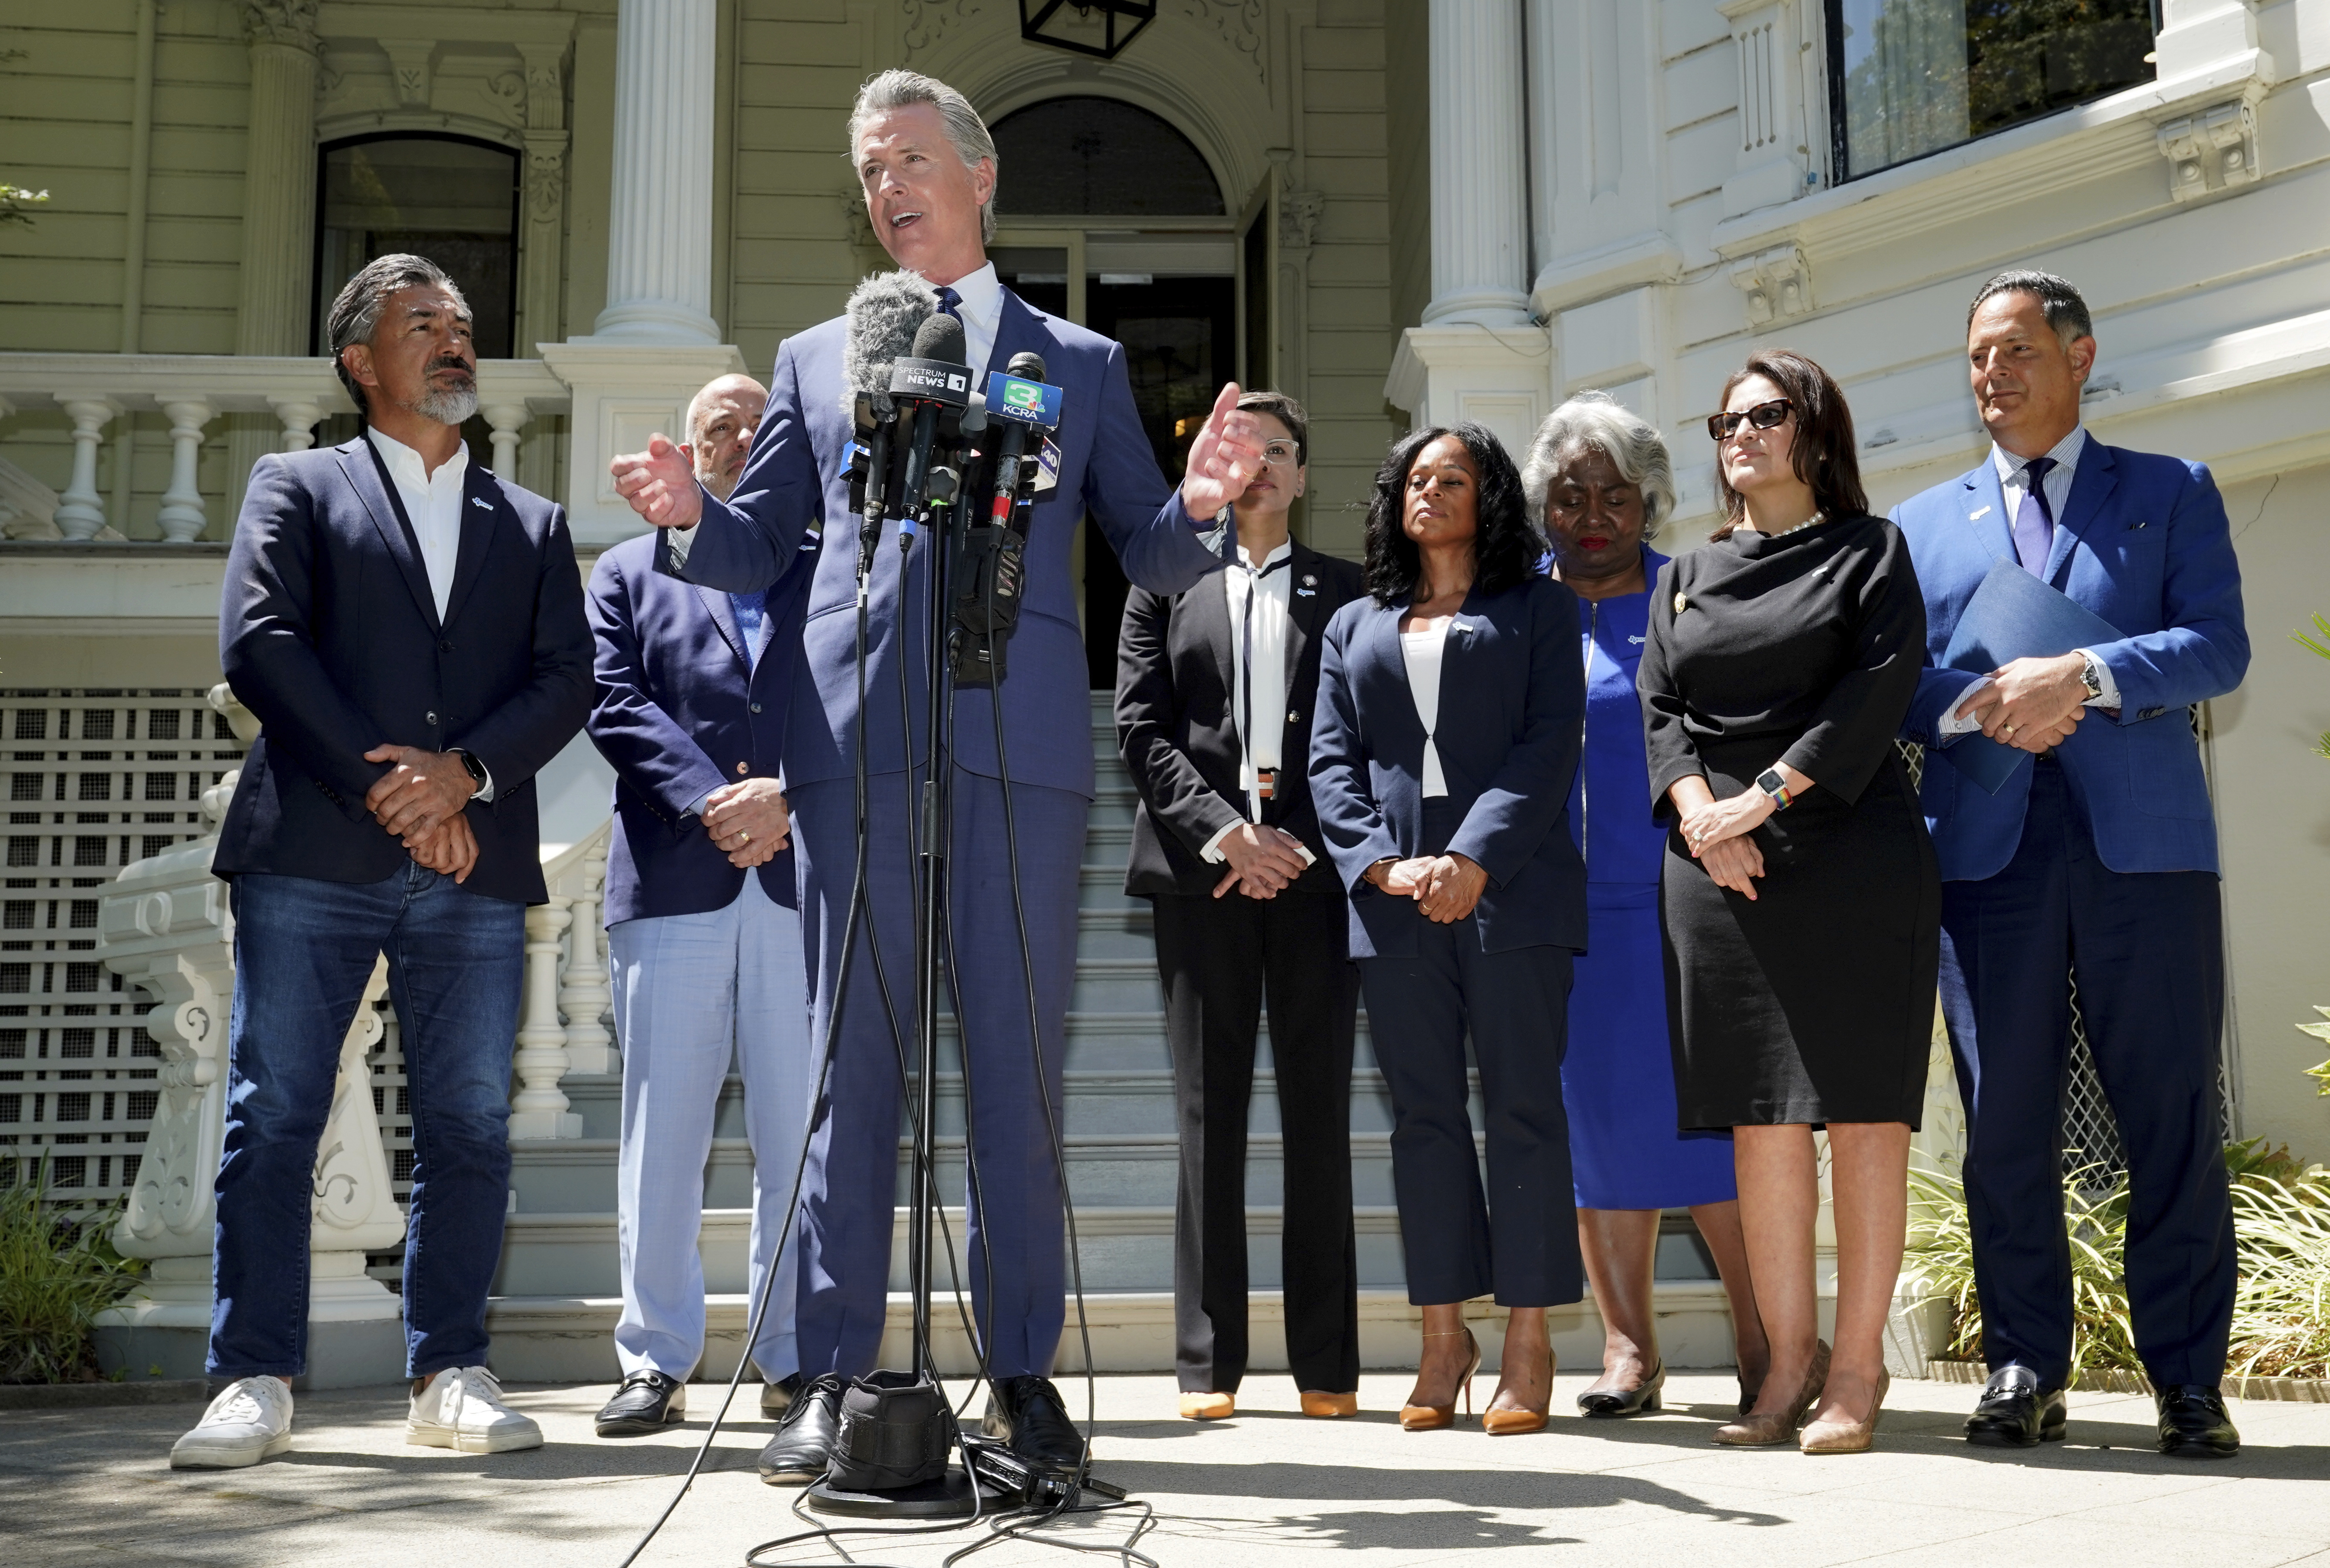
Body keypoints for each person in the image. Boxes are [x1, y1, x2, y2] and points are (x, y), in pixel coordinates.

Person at [605, 69, 1268, 1482]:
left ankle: (1021, 1374)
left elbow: (1148, 547)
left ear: (978, 177)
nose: (886, 185)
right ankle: (838, 1376)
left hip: (1015, 754)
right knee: (857, 1076)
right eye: (866, 169)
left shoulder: (1073, 363)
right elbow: (759, 547)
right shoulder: (818, 357)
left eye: (909, 158)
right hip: (854, 749)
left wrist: (1205, 508)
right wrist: (688, 516)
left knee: (1019, 1076)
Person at [171, 254, 593, 1469]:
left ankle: (449, 1369)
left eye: (462, 326)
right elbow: (261, 643)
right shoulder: (296, 483)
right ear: (361, 361)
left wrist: (461, 776)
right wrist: (390, 786)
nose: (454, 342)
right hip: (312, 846)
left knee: (469, 1124)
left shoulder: (533, 520)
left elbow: (568, 677)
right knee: (276, 1111)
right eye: (423, 326)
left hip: (472, 858)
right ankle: (252, 1375)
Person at [1892, 270, 2248, 1460]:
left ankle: (2188, 1384)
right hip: (1987, 855)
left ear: (2080, 355)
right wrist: (1983, 703)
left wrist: (2082, 679)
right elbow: (1894, 684)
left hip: (2143, 854)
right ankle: (2021, 1364)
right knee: (2004, 1124)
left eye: (2014, 351)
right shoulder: (1922, 523)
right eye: (1976, 357)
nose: (1991, 374)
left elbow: (2216, 647)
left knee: (2171, 1116)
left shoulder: (2168, 490)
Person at [1638, 349, 1938, 1456]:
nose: (1738, 435)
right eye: (1723, 421)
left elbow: (1874, 695)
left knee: (1862, 1116)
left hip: (1851, 856)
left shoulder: (1871, 550)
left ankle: (1855, 1371)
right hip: (1716, 871)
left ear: (1813, 428)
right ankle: (1780, 1372)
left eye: (1762, 415)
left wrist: (1755, 801)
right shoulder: (1681, 576)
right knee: (1761, 1122)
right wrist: (1701, 818)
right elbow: (1658, 705)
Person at [1310, 422, 1587, 1438]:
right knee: (1422, 1121)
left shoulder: (1540, 609)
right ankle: (1441, 1341)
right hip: (1392, 904)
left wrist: (1471, 858)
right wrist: (1379, 866)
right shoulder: (1354, 625)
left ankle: (1525, 1341)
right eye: (1414, 481)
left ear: (1490, 498)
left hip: (1510, 892)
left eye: (1452, 479)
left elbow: (1550, 742)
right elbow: (1329, 762)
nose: (1429, 493)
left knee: (1523, 1111)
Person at [1114, 392, 1367, 1423]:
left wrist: (1292, 843)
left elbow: (1358, 738)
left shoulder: (1350, 597)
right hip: (1200, 879)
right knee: (1205, 1117)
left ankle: (1327, 1368)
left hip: (1311, 880)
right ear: (1211, 467)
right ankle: (1206, 1366)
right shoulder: (1159, 581)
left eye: (1278, 450)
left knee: (1318, 1116)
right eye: (1240, 448)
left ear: (1303, 474)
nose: (1259, 464)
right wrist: (1227, 834)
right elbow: (1140, 727)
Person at [1519, 393, 1768, 1419]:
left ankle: (1767, 1340)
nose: (1590, 512)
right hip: (1557, 915)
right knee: (1600, 1132)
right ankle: (1628, 1348)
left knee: (1712, 1132)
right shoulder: (1512, 607)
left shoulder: (1692, 595)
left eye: (1612, 494)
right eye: (1569, 494)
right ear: (1540, 505)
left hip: (1684, 901)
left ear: (1648, 502)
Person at [584, 373, 823, 1438]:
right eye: (713, 428)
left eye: (754, 425)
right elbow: (612, 700)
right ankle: (653, 1359)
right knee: (662, 1134)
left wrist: (788, 802)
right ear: (685, 451)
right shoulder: (629, 570)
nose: (734, 440)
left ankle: (794, 1359)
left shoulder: (827, 567)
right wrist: (711, 800)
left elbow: (862, 705)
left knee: (794, 1130)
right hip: (674, 878)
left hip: (799, 873)